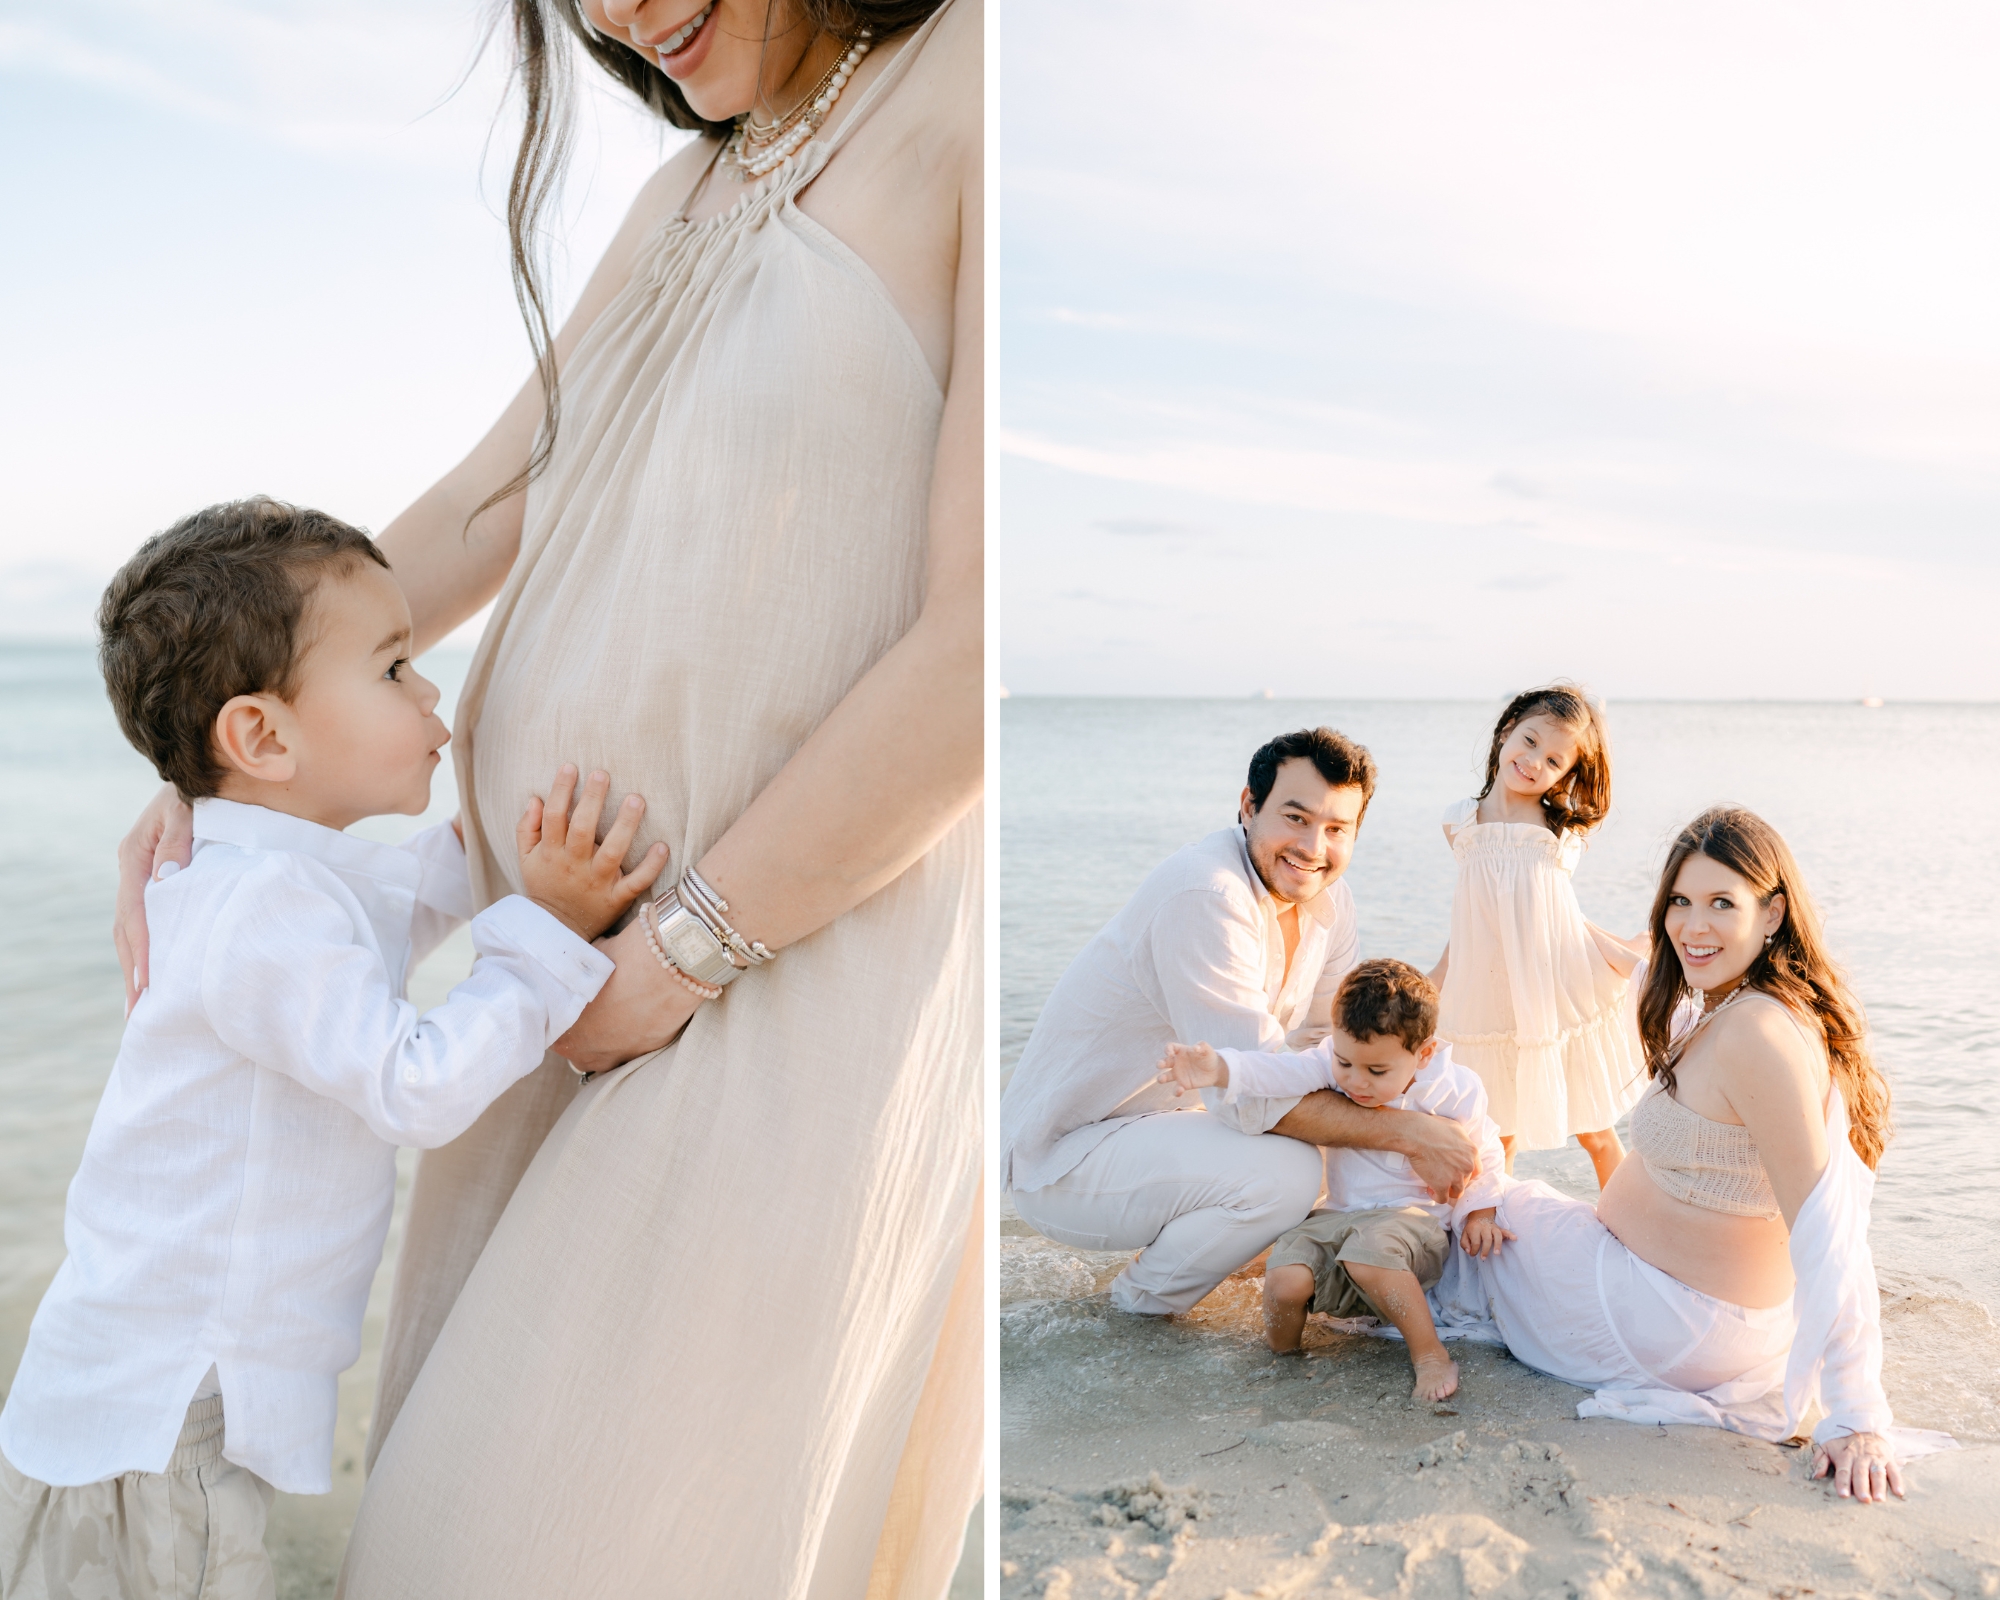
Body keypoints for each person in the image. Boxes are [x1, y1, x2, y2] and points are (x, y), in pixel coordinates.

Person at [111, 1, 983, 1592]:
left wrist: (675, 960)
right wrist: (220, 762)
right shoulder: (697, 183)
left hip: (770, 976)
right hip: (565, 985)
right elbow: (483, 499)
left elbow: (981, 642)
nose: (616, 14)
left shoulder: (978, 83)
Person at [0, 501, 661, 1598]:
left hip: (151, 1398)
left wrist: (501, 847)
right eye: (396, 668)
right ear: (263, 737)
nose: (432, 692)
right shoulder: (258, 909)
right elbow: (415, 1085)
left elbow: (402, 903)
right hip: (160, 1416)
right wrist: (544, 929)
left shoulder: (280, 881)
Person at [1474, 806, 1951, 1504]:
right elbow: (1634, 967)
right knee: (1502, 1211)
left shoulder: (1757, 1032)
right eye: (1680, 902)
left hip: (1671, 1324)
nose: (1693, 927)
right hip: (1684, 1314)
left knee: (1488, 1222)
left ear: (1773, 913)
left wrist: (1856, 1415)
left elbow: (1825, 1226)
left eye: (1721, 903)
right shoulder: (1734, 1004)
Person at [1001, 728, 1482, 1316]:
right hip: (1067, 1160)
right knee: (1288, 1172)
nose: (1313, 846)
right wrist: (1414, 1135)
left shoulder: (1333, 904)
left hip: (1167, 1133)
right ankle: (1135, 1308)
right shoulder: (1206, 893)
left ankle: (1225, 1264)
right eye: (1296, 818)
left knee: (1345, 1161)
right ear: (1249, 806)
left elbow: (1330, 1053)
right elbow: (1252, 1104)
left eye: (1337, 829)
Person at [1159, 958, 1508, 1400]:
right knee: (1285, 1278)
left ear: (1423, 1054)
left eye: (1376, 1072)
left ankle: (1430, 1355)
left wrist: (1482, 1211)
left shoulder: (1455, 1088)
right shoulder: (1336, 1061)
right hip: (1340, 1215)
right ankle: (1281, 1359)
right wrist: (1220, 1069)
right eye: (1345, 1063)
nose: (1355, 1082)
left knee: (1368, 1257)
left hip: (1410, 1220)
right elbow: (1280, 1073)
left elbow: (1487, 1149)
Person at [1431, 684, 1646, 1186]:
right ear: (1506, 732)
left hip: (1553, 987)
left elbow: (1563, 919)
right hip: (1489, 992)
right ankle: (1499, 1227)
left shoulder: (1558, 831)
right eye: (1528, 742)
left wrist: (1626, 956)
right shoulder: (1459, 822)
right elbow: (1474, 915)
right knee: (1496, 1128)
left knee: (1594, 1126)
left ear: (1566, 776)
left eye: (1552, 760)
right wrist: (1437, 978)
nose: (1532, 761)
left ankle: (1629, 1226)